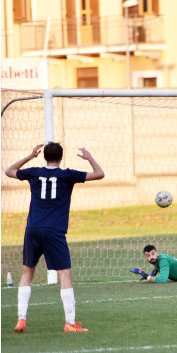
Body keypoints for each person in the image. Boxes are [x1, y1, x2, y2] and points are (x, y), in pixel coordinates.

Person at [5, 143, 105, 333]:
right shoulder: (68, 175)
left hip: (33, 229)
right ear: (61, 158)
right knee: (64, 274)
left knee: (27, 272)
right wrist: (89, 157)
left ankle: (21, 319)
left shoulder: (33, 172)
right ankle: (70, 323)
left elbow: (9, 171)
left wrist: (29, 156)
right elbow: (99, 174)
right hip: (54, 231)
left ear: (44, 157)